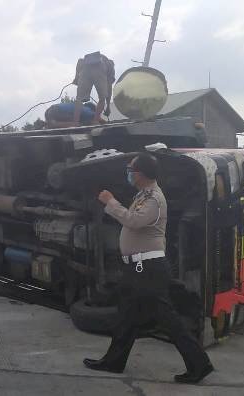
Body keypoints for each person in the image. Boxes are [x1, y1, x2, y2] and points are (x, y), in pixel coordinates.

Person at [85, 152, 214, 384]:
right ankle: (113, 361)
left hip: (148, 269)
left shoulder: (154, 199)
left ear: (141, 174)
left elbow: (134, 221)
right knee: (126, 316)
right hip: (138, 269)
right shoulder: (144, 195)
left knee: (168, 320)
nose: (128, 173)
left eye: (130, 169)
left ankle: (199, 364)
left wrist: (110, 202)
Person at [72, 51, 115, 125]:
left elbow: (80, 61)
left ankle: (75, 122)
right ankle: (95, 120)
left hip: (85, 68)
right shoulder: (110, 64)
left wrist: (76, 78)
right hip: (100, 69)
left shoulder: (88, 60)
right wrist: (108, 106)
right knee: (102, 98)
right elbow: (109, 87)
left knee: (79, 98)